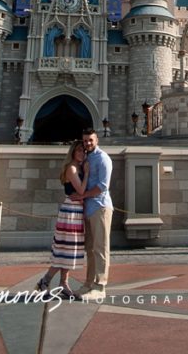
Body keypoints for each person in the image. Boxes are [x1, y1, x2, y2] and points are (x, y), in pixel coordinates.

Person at [35, 140, 87, 298]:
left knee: (70, 251)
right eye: (78, 150)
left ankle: (63, 283)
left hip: (77, 211)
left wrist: (83, 196)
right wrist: (89, 174)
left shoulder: (79, 168)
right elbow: (81, 189)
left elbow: (82, 193)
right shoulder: (71, 168)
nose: (82, 153)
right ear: (72, 152)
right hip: (70, 211)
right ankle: (45, 280)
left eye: (83, 151)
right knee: (64, 250)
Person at [74, 128, 113, 302]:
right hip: (89, 209)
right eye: (85, 141)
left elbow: (102, 186)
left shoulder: (103, 158)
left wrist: (83, 196)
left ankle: (100, 285)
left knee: (100, 248)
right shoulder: (87, 158)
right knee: (89, 248)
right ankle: (89, 283)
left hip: (100, 207)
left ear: (97, 139)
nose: (88, 143)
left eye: (90, 140)